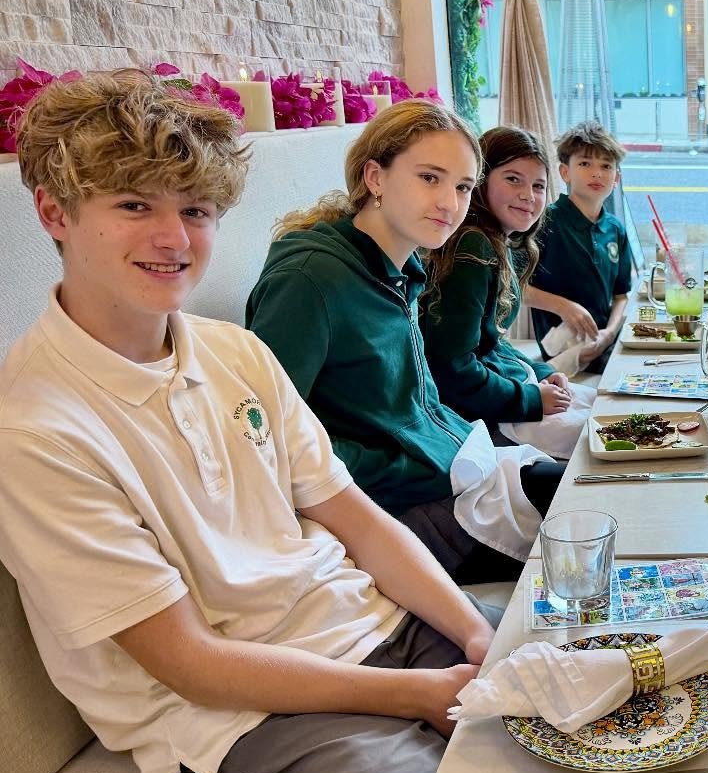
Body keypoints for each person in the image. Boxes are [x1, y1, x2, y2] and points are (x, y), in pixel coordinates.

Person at [0, 70, 498, 773]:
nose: (174, 238)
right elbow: (190, 664)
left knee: (594, 708)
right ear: (55, 213)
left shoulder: (234, 352)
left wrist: (477, 635)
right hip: (249, 711)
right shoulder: (37, 429)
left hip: (376, 624)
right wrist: (420, 695)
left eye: (196, 210)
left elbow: (358, 520)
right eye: (135, 204)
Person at [246, 101, 564, 583]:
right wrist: (407, 465)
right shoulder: (309, 281)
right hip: (399, 507)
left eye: (462, 187)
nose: (449, 204)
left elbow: (420, 401)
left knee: (597, 493)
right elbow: (271, 442)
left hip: (454, 468)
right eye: (429, 178)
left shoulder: (401, 271)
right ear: (375, 177)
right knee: (588, 550)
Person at [423, 126, 596, 459]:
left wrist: (544, 372)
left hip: (507, 384)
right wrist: (530, 399)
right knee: (601, 433)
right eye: (513, 179)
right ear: (480, 180)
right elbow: (451, 368)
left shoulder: (498, 244)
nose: (528, 195)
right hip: (482, 412)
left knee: (603, 405)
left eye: (538, 186)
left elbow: (490, 341)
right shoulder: (471, 249)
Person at [525, 120, 632, 375]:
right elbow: (514, 288)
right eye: (585, 164)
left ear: (616, 178)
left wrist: (610, 333)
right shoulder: (544, 222)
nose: (597, 173)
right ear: (565, 172)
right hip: (561, 350)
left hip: (604, 342)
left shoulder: (615, 229)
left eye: (606, 166)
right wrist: (564, 306)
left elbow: (621, 296)